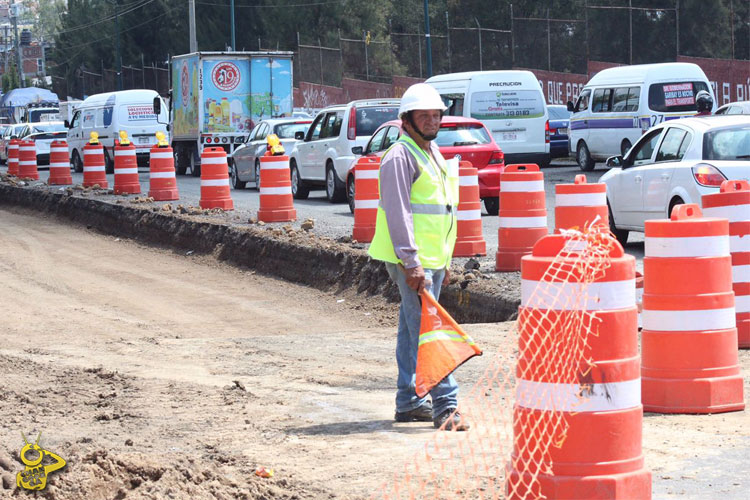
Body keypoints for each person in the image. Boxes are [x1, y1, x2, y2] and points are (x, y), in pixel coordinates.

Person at [368, 83, 468, 431]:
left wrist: (444, 260)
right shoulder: (400, 156)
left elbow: (440, 211)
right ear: (406, 120)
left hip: (432, 259)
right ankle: (446, 405)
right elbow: (399, 214)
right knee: (431, 332)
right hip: (414, 262)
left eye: (435, 114)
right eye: (423, 115)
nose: (431, 120)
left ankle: (409, 401)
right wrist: (412, 264)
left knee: (413, 331)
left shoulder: (432, 151)